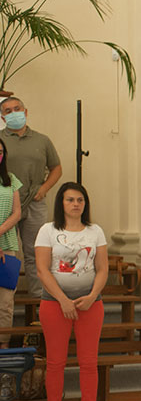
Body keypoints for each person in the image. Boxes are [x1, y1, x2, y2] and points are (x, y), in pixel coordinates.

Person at [35, 182, 108, 401]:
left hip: (90, 305)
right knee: (56, 363)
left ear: (85, 203)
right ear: (61, 203)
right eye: (70, 200)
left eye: (80, 199)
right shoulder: (47, 231)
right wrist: (63, 300)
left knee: (89, 363)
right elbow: (43, 270)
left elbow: (102, 269)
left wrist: (91, 296)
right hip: (55, 304)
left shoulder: (95, 231)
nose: (76, 204)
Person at [0, 96, 62, 298]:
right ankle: (6, 296)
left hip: (34, 203)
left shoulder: (42, 140)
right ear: (2, 117)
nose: (13, 113)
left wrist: (44, 188)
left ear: (25, 112)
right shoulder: (1, 140)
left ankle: (38, 298)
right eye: (8, 111)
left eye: (17, 109)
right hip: (5, 204)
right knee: (6, 252)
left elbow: (56, 168)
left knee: (36, 252)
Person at [0, 137, 22, 346]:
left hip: (7, 246)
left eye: (0, 151)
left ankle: (3, 346)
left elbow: (17, 213)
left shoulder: (11, 179)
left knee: (6, 303)